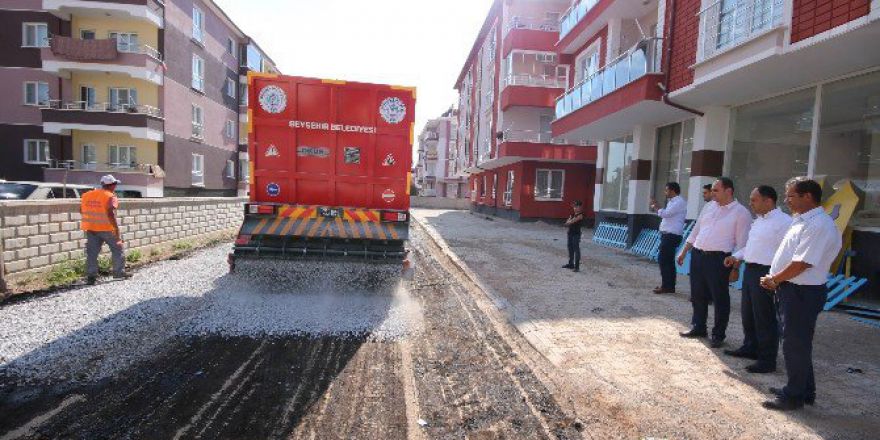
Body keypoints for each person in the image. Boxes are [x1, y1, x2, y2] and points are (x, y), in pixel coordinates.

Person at [760, 177, 841, 411]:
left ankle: (794, 396)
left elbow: (802, 263)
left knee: (795, 344)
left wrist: (775, 279)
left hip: (802, 292)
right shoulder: (802, 220)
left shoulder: (819, 225)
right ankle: (804, 390)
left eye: (791, 196)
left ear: (808, 197)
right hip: (792, 290)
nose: (786, 200)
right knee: (797, 343)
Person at [722, 186, 792, 373]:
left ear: (768, 201)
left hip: (767, 272)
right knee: (748, 313)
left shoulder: (784, 222)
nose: (750, 204)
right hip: (751, 270)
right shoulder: (759, 221)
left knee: (765, 316)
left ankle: (767, 359)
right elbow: (751, 247)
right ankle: (750, 347)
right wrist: (736, 256)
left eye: (754, 200)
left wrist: (776, 277)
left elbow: (788, 252)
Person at [677, 177, 751, 347]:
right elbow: (696, 230)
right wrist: (684, 251)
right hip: (698, 255)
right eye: (712, 190)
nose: (712, 194)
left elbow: (742, 244)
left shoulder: (741, 213)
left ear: (728, 191)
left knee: (719, 297)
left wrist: (736, 268)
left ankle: (718, 334)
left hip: (719, 259)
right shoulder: (709, 206)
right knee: (697, 293)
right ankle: (698, 326)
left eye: (716, 190)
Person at [80, 175, 128, 284]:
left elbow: (81, 210)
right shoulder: (111, 196)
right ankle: (119, 273)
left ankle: (91, 277)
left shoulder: (87, 195)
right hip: (107, 228)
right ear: (112, 185)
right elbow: (110, 212)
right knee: (118, 248)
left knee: (92, 253)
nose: (116, 186)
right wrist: (116, 231)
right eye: (115, 184)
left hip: (91, 228)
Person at [650, 182, 687, 294]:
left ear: (672, 190)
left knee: (663, 259)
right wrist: (658, 208)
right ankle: (669, 286)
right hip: (668, 235)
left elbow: (666, 214)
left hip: (671, 235)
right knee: (668, 261)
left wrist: (656, 207)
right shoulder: (673, 202)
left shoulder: (679, 202)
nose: (665, 192)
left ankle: (666, 286)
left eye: (666, 190)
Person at [562, 201, 585, 272]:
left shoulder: (580, 215)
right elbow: (567, 223)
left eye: (576, 206)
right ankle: (571, 264)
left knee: (576, 249)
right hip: (570, 233)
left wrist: (569, 221)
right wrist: (569, 221)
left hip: (576, 234)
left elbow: (571, 222)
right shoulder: (572, 214)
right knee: (570, 249)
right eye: (574, 207)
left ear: (580, 207)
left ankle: (577, 267)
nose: (575, 208)